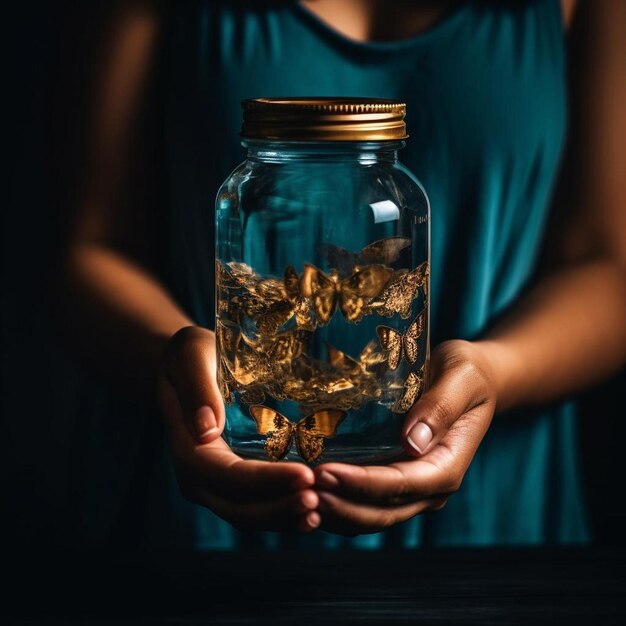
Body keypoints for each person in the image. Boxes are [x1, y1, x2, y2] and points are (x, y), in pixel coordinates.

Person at [58, 0, 626, 549]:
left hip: (497, 523)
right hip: (204, 514)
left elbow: (608, 269)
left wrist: (495, 373)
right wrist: (177, 358)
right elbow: (92, 248)